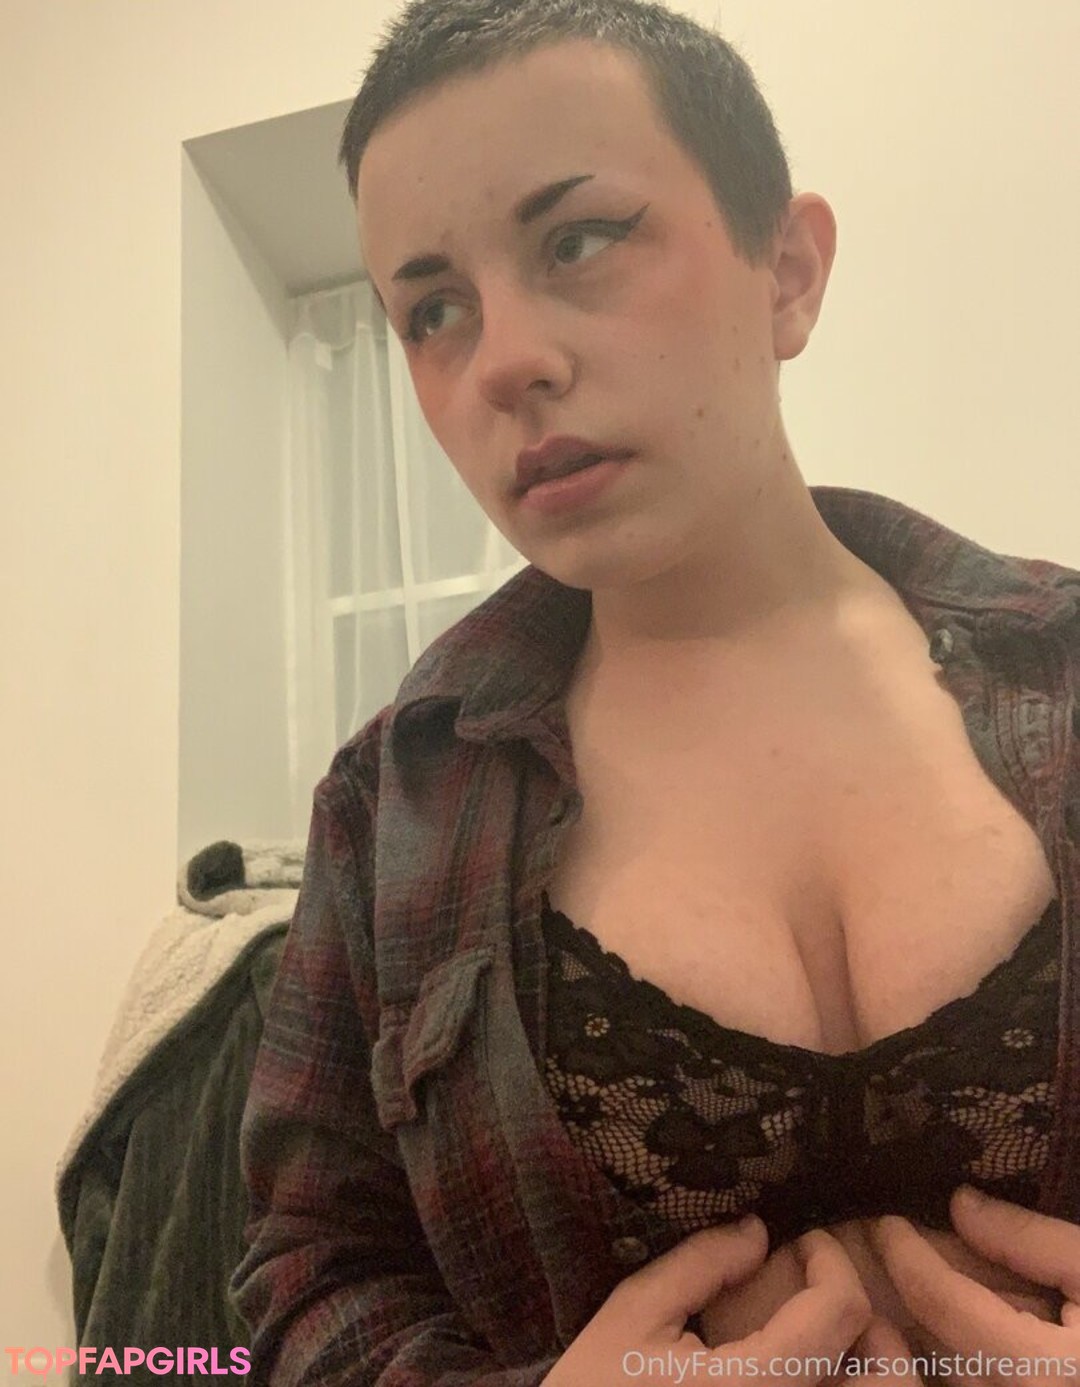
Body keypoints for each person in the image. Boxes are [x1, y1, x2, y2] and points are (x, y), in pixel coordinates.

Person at [230, 1, 1080, 1382]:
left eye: (578, 240)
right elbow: (309, 1276)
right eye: (433, 310)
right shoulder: (396, 809)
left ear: (787, 272)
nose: (503, 360)